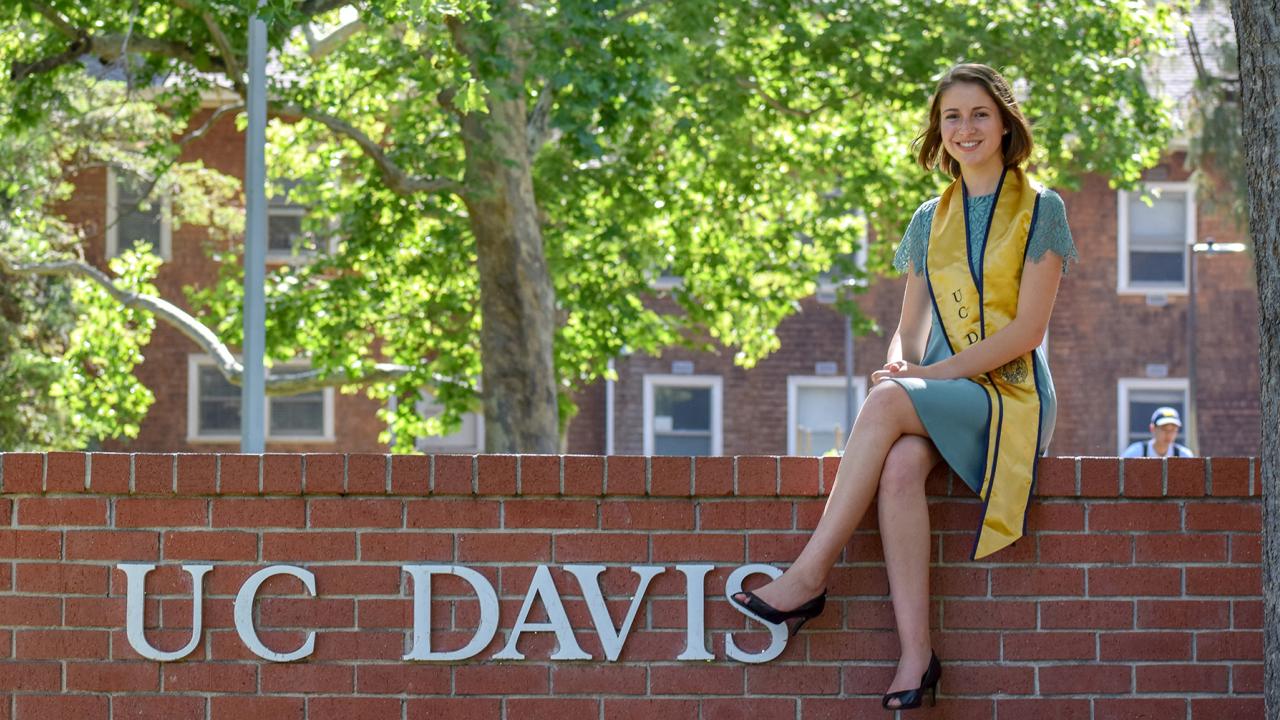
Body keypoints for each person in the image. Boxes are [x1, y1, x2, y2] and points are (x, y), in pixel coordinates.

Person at [731, 63, 1076, 711]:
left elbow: (1028, 332)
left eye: (979, 114)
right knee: (895, 470)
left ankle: (807, 577)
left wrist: (923, 379)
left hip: (1009, 396)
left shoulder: (1041, 210)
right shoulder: (929, 218)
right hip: (936, 392)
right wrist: (899, 366)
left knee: (890, 401)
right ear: (937, 129)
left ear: (1004, 122)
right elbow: (908, 329)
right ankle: (917, 659)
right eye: (952, 117)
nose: (965, 128)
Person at [1122, 407, 1195, 457]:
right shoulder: (1135, 453)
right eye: (1164, 428)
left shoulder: (1184, 455)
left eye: (1173, 429)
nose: (1169, 434)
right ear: (1152, 428)